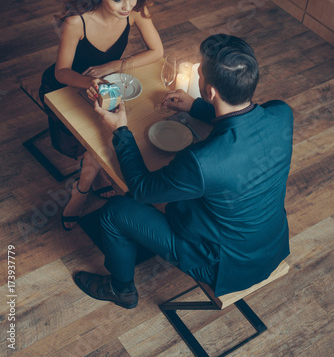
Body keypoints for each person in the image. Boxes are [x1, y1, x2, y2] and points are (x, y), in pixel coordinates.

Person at [73, 34, 293, 309]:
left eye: (200, 71)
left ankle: (121, 289)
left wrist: (120, 130)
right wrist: (194, 106)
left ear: (210, 90)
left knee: (115, 211)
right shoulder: (282, 113)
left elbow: (141, 189)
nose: (198, 73)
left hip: (225, 268)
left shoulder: (201, 161)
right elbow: (240, 119)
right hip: (271, 245)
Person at [39, 0, 163, 230]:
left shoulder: (137, 11)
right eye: (118, 0)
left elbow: (158, 51)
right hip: (66, 87)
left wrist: (113, 64)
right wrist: (90, 83)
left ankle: (82, 188)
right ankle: (88, 185)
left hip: (105, 84)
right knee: (98, 136)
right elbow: (62, 72)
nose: (127, 6)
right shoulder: (77, 21)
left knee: (107, 131)